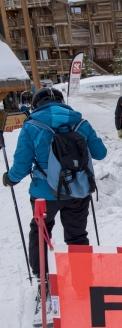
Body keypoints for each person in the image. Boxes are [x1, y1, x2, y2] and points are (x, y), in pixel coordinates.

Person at [2, 88, 107, 278]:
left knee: (41, 231)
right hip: (78, 191)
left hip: (45, 194)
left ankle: (43, 276)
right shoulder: (81, 123)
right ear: (62, 101)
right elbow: (101, 153)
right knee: (77, 236)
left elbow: (22, 164)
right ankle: (82, 282)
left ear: (35, 105)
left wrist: (10, 178)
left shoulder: (31, 125)